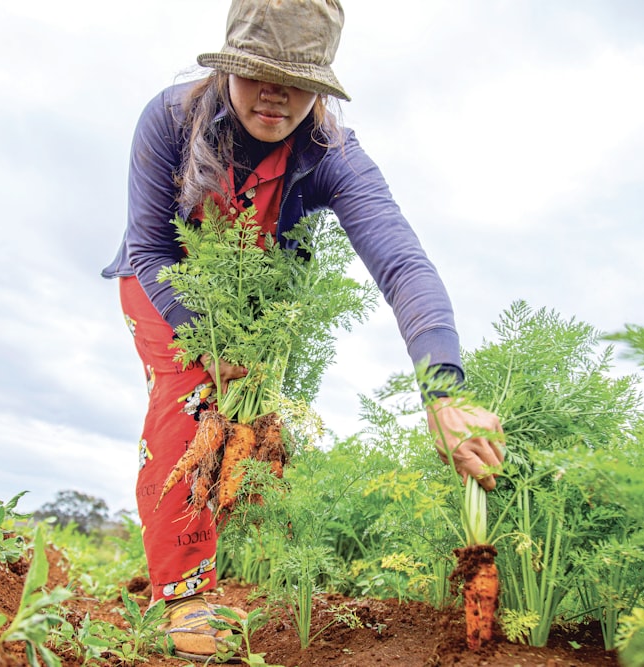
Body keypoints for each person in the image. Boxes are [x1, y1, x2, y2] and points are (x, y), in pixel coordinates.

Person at [100, 0, 505, 659]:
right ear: (230, 63)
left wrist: (443, 387)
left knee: (239, 437)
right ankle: (176, 597)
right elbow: (150, 248)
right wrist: (205, 340)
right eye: (259, 72)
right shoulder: (170, 118)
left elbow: (401, 260)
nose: (277, 95)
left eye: (298, 80)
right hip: (164, 285)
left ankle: (187, 563)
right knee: (191, 398)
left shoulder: (331, 152)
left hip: (253, 302)